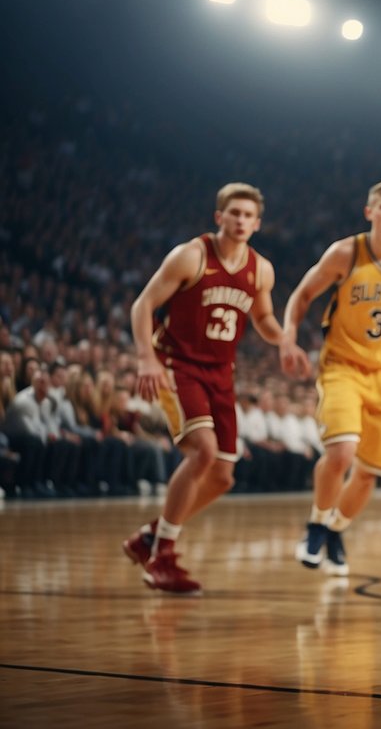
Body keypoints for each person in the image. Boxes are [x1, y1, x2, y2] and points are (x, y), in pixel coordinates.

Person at [120, 182, 283, 593]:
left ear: (257, 223)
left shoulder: (261, 269)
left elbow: (263, 319)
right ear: (219, 217)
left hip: (220, 373)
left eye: (249, 215)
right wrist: (145, 357)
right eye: (235, 213)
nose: (241, 220)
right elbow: (143, 305)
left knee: (223, 476)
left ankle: (150, 537)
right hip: (177, 365)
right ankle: (163, 556)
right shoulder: (191, 255)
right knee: (203, 451)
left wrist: (286, 340)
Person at [281, 181, 381, 577]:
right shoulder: (345, 253)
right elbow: (302, 295)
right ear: (368, 212)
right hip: (343, 365)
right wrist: (288, 340)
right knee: (341, 452)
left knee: (370, 472)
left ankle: (336, 528)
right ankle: (317, 524)